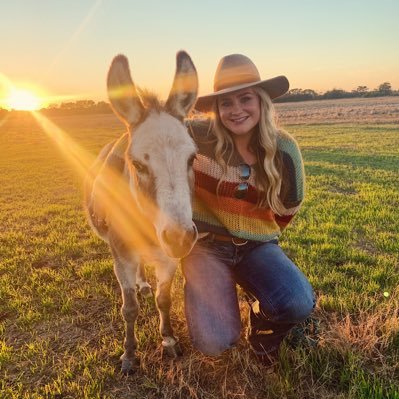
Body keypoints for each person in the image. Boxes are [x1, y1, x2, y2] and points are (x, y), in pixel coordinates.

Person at [183, 54, 315, 366]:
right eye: (226, 103)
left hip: (257, 246)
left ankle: (262, 325)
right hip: (205, 247)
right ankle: (217, 288)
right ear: (216, 109)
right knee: (214, 342)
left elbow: (290, 207)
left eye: (246, 99)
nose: (236, 110)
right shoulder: (193, 137)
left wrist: (257, 231)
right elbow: (147, 133)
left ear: (262, 101)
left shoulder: (284, 149)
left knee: (297, 303)